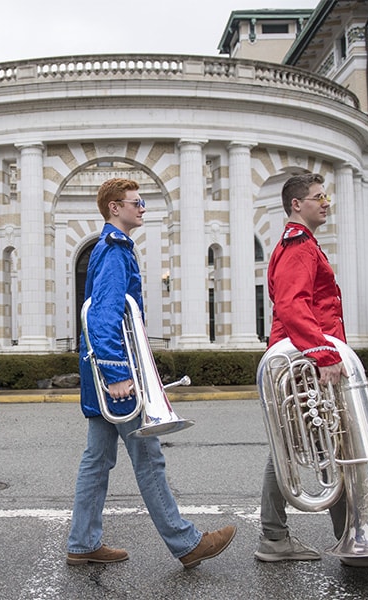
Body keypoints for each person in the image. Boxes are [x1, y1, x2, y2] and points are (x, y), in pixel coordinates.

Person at [67, 178, 236, 570]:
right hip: (117, 377)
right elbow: (104, 315)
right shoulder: (113, 250)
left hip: (110, 374)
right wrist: (116, 373)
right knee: (148, 457)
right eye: (136, 202)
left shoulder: (112, 248)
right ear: (114, 208)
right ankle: (186, 542)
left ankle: (82, 542)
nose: (142, 208)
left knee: (96, 459)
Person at [255, 172, 348, 562]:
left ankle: (282, 537)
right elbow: (294, 306)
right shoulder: (299, 246)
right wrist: (325, 354)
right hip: (306, 362)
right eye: (317, 196)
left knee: (295, 447)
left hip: (302, 359)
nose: (325, 202)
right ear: (297, 204)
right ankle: (351, 536)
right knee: (331, 445)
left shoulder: (303, 244)